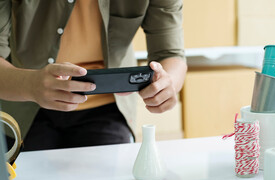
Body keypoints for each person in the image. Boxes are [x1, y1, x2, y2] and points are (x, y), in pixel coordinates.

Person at [0, 0, 187, 151]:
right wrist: (31, 86)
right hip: (24, 105)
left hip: (107, 108)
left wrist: (166, 84)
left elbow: (171, 54)